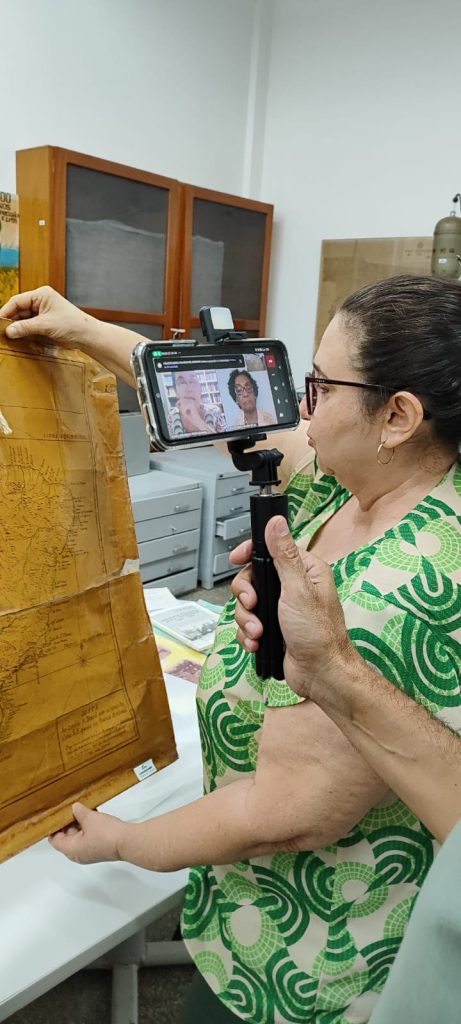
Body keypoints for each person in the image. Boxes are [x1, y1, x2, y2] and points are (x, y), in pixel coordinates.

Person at [2, 275, 461, 1024]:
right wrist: (83, 328)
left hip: (304, 951)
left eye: (318, 386)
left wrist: (126, 842)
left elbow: (286, 813)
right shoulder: (396, 482)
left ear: (398, 415)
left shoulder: (387, 596)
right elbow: (219, 403)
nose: (296, 406)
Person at [231, 517, 461, 1023]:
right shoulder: (343, 500)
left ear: (398, 429)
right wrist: (328, 667)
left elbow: (289, 813)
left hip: (315, 962)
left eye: (311, 426)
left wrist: (123, 844)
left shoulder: (394, 586)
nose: (303, 430)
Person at [168, 369, 227, 436]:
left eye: (192, 381)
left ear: (200, 388)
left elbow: (225, 444)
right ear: (176, 392)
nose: (189, 388)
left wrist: (198, 421)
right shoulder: (171, 418)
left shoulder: (214, 411)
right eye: (181, 383)